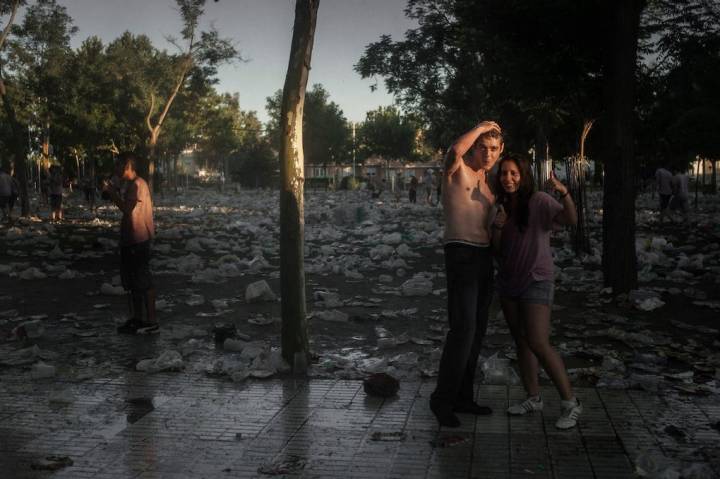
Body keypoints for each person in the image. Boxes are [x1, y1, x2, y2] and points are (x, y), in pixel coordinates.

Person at [491, 156, 582, 430]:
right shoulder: (500, 207)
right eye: (504, 174)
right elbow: (496, 251)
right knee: (521, 341)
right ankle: (533, 398)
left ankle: (571, 403)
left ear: (524, 175)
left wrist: (563, 192)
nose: (508, 178)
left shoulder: (539, 201)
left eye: (514, 173)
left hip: (536, 280)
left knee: (538, 341)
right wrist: (497, 226)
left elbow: (570, 219)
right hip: (509, 283)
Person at [430, 121, 502, 428]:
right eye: (483, 148)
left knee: (477, 332)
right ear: (474, 148)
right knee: (462, 330)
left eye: (494, 149)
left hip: (484, 256)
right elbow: (452, 151)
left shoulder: (488, 184)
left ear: (501, 152)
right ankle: (442, 401)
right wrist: (481, 126)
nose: (488, 154)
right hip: (460, 251)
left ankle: (463, 397)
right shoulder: (457, 170)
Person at [102, 153, 158, 335]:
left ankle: (151, 321)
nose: (115, 170)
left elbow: (127, 210)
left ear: (127, 166)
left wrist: (111, 193)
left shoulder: (137, 185)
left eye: (118, 166)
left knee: (143, 281)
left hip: (138, 239)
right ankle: (138, 319)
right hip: (132, 240)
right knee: (134, 283)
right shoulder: (133, 184)